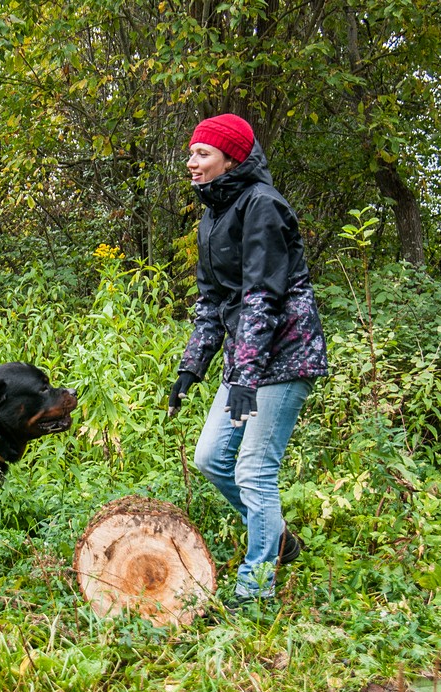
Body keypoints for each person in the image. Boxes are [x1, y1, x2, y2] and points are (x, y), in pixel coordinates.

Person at [167, 113, 328, 611]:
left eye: (202, 154)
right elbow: (212, 304)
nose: (191, 162)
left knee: (254, 470)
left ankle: (254, 588)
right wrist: (190, 369)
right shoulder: (213, 215)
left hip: (285, 353)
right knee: (211, 458)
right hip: (249, 356)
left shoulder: (263, 206)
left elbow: (263, 298)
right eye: (191, 152)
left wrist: (245, 379)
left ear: (231, 158)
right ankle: (277, 538)